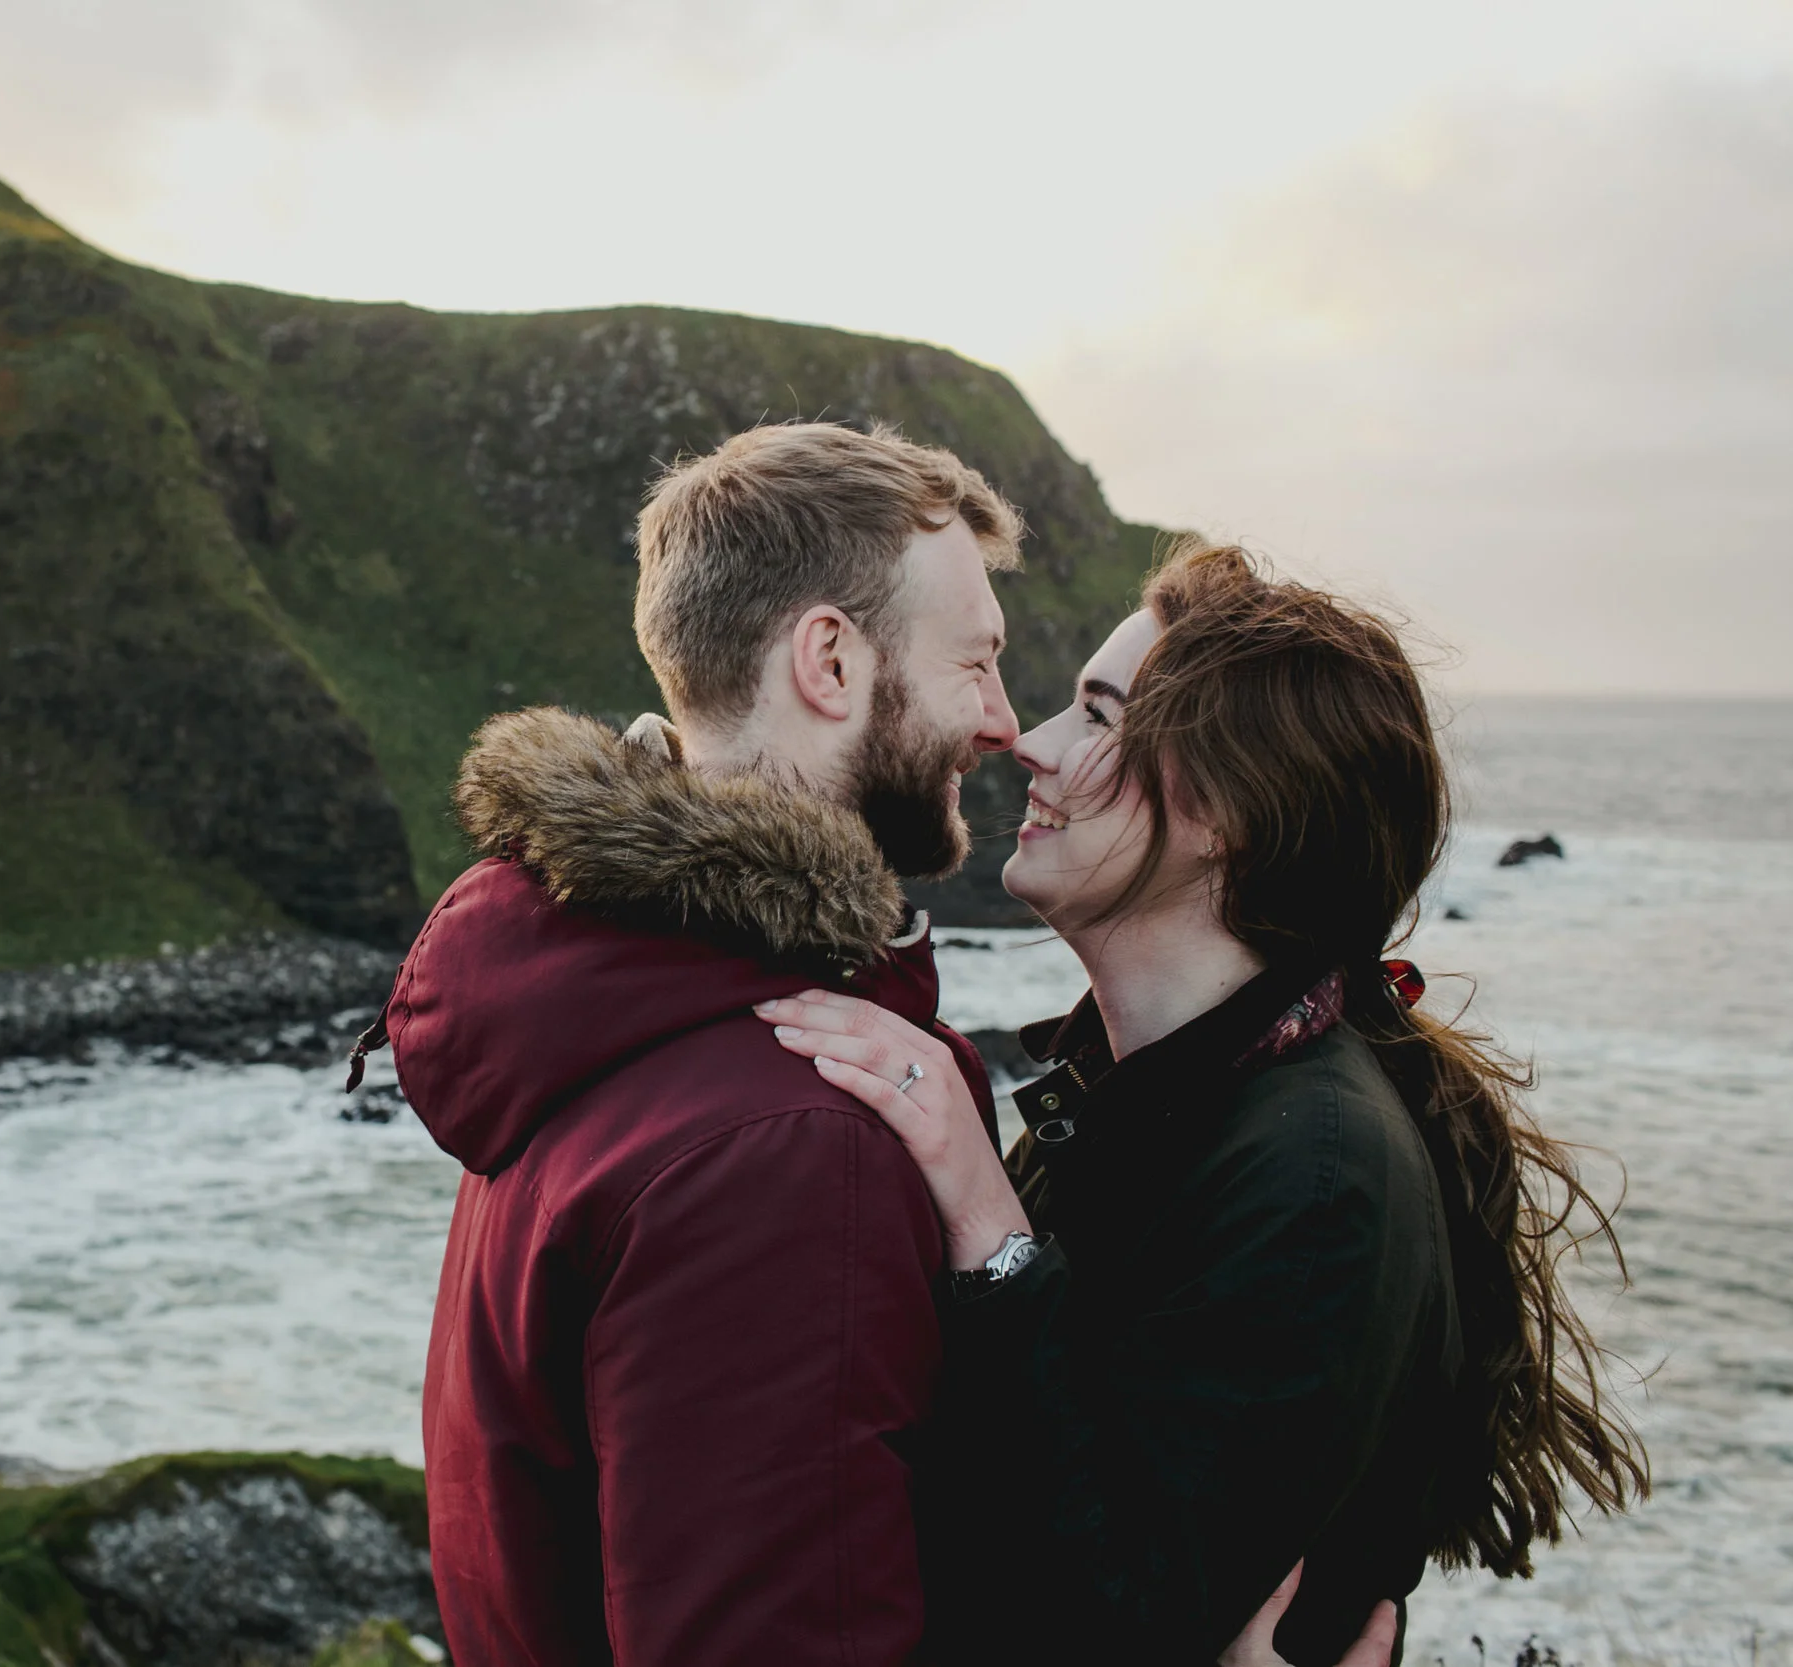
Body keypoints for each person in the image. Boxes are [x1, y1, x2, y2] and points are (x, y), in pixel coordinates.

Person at [363, 424, 1392, 1665]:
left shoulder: (581, 1003)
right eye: (978, 661)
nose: (1007, 724)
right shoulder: (793, 1138)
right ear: (831, 660)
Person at [762, 542, 1649, 1665]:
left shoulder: (1315, 1174)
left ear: (1226, 809)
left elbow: (1103, 1614)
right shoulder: (1147, 1098)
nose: (1028, 743)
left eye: (1096, 717)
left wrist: (992, 1236)